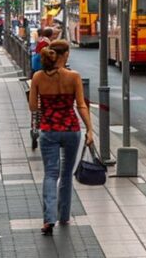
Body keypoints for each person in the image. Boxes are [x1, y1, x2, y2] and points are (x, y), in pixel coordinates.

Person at [28, 40, 93, 235]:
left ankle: (49, 219)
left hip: (48, 130)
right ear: (65, 55)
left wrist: (48, 107)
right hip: (71, 129)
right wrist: (90, 129)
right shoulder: (74, 77)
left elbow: (33, 107)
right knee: (66, 175)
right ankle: (64, 216)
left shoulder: (38, 77)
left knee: (50, 174)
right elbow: (81, 105)